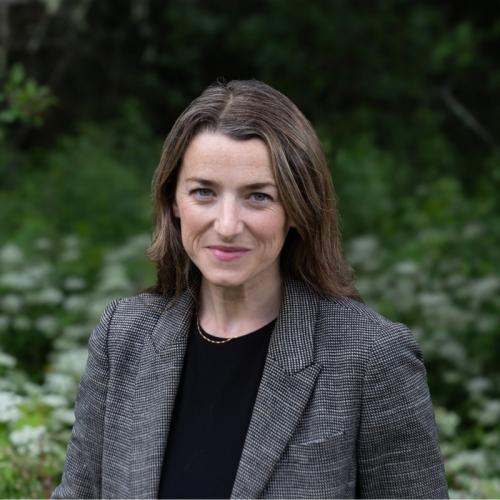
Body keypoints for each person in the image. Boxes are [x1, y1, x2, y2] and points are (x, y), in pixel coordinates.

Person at [52, 79, 448, 499]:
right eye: (203, 192)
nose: (227, 225)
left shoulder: (371, 357)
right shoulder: (123, 336)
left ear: (297, 208)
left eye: (258, 197)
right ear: (173, 202)